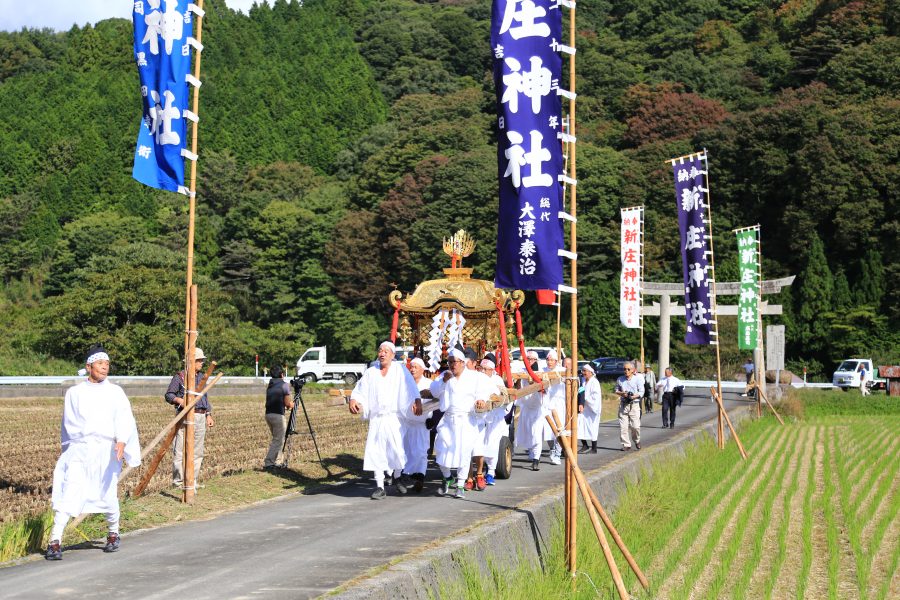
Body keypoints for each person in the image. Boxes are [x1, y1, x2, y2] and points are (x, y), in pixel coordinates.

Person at [46, 345, 141, 560]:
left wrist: (122, 440)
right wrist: (75, 447)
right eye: (100, 364)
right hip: (81, 450)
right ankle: (54, 541)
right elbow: (69, 423)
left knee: (107, 492)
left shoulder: (115, 392)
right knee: (70, 490)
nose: (105, 368)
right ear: (89, 366)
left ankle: (113, 533)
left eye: (107, 364)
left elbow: (124, 417)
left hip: (106, 451)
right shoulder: (75, 393)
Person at [349, 341, 420, 500]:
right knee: (376, 451)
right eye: (380, 351)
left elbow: (411, 388)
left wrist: (417, 401)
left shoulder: (400, 370)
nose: (382, 354)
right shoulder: (371, 372)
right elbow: (360, 390)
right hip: (377, 419)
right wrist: (354, 400)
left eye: (386, 351)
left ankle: (397, 475)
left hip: (395, 418)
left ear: (393, 355)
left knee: (397, 450)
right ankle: (380, 487)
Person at [427, 347, 494, 498]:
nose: (452, 365)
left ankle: (460, 485)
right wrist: (443, 382)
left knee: (464, 453)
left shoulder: (474, 377)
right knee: (441, 449)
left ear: (463, 363)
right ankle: (448, 477)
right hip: (448, 419)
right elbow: (434, 391)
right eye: (449, 362)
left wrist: (481, 399)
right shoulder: (445, 376)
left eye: (455, 362)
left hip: (466, 420)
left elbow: (484, 389)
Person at [165, 347, 214, 491]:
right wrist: (181, 401)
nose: (202, 363)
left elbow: (204, 397)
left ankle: (193, 481)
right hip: (184, 415)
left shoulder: (202, 377)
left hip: (199, 415)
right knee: (180, 450)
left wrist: (208, 414)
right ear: (191, 362)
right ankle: (179, 482)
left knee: (197, 451)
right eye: (199, 360)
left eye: (202, 360)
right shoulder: (180, 377)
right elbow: (169, 395)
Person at [514, 350, 552, 471]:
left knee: (536, 435)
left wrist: (536, 383)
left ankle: (536, 459)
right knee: (527, 433)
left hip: (536, 409)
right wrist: (519, 380)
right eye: (527, 359)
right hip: (526, 407)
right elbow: (517, 386)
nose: (528, 361)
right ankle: (531, 453)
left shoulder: (541, 373)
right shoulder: (522, 372)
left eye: (531, 359)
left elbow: (546, 389)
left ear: (535, 360)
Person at [401, 357, 431, 492]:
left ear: (422, 369)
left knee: (420, 451)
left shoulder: (429, 384)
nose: (412, 369)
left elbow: (437, 403)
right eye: (411, 367)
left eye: (415, 367)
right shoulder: (405, 384)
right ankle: (406, 475)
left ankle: (420, 477)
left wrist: (433, 420)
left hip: (422, 424)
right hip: (407, 424)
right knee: (407, 452)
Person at [480, 355, 510, 486]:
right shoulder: (477, 379)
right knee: (479, 445)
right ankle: (478, 472)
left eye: (486, 369)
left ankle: (491, 472)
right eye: (481, 368)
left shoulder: (497, 380)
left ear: (492, 370)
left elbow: (503, 397)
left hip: (495, 418)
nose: (483, 371)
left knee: (492, 444)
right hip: (480, 417)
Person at [263, 365, 293, 469]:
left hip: (268, 414)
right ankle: (269, 462)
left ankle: (278, 461)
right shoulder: (284, 385)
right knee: (278, 440)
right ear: (282, 374)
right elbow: (288, 403)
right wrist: (291, 404)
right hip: (278, 416)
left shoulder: (270, 385)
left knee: (278, 439)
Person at [543, 349, 566, 465]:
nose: (549, 362)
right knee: (546, 429)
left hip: (559, 403)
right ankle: (552, 449)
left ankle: (558, 452)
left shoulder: (563, 371)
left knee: (559, 428)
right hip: (546, 402)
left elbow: (573, 381)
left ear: (556, 361)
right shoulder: (543, 371)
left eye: (552, 360)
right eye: (548, 359)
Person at [615, 361, 643, 451]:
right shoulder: (620, 379)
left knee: (635, 426)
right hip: (623, 404)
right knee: (623, 426)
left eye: (628, 369)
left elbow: (641, 391)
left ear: (633, 370)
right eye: (624, 369)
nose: (626, 371)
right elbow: (616, 390)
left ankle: (637, 440)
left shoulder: (638, 379)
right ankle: (626, 444)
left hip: (634, 404)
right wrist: (623, 394)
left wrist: (633, 396)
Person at [577, 363, 601, 453]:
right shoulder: (582, 380)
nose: (583, 372)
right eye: (583, 370)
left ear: (591, 372)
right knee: (580, 425)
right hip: (583, 408)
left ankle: (594, 448)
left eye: (585, 371)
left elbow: (596, 397)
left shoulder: (595, 382)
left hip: (592, 408)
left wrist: (585, 397)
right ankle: (585, 445)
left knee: (592, 427)